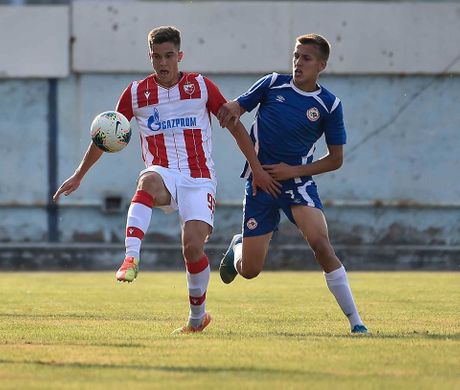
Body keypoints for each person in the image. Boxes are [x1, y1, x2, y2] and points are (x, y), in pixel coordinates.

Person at [53, 26, 279, 334]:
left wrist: (257, 168)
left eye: (169, 56)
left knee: (193, 248)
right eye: (157, 57)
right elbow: (105, 135)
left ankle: (197, 320)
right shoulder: (135, 93)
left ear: (179, 56)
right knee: (146, 182)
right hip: (162, 171)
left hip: (199, 178)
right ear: (150, 57)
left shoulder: (201, 86)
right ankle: (130, 258)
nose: (163, 63)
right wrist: (79, 174)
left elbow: (236, 127)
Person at [217, 34, 368, 334]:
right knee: (250, 271)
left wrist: (293, 170)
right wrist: (257, 169)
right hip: (260, 185)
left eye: (306, 58)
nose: (298, 63)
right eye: (296, 56)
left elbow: (335, 159)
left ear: (321, 65)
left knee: (322, 246)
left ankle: (357, 323)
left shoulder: (329, 105)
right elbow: (232, 114)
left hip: (298, 184)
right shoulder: (272, 84)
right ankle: (238, 248)